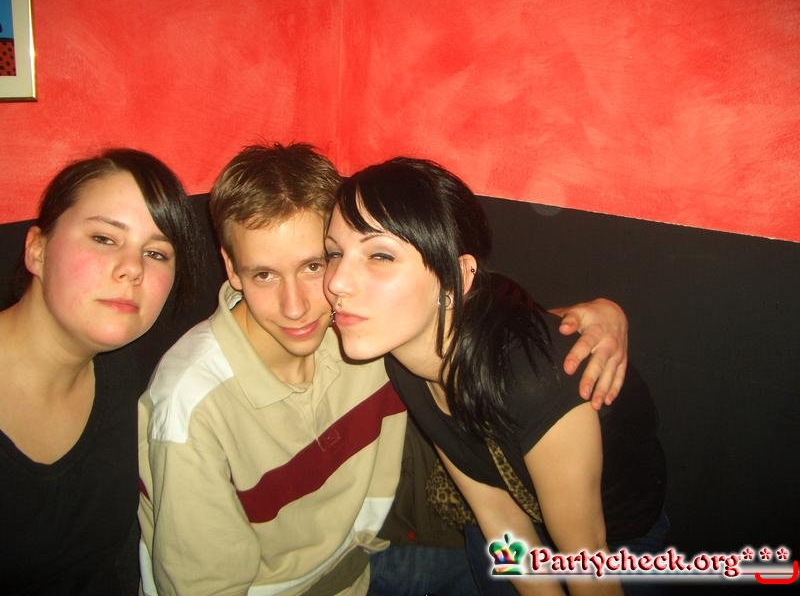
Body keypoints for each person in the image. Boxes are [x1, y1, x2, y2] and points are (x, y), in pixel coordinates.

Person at [138, 143, 631, 596]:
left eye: (315, 265)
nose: (297, 306)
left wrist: (595, 315)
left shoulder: (370, 336)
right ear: (231, 269)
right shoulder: (193, 405)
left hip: (371, 561)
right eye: (264, 274)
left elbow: (477, 329)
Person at [324, 158, 668, 596]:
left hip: (618, 544)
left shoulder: (533, 380)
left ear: (457, 277)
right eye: (335, 253)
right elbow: (497, 514)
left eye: (380, 255)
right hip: (521, 519)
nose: (337, 282)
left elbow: (586, 559)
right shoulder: (406, 361)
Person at [0, 149, 199, 595]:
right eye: (104, 238)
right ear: (37, 250)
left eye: (156, 252)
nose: (132, 269)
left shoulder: (131, 371)